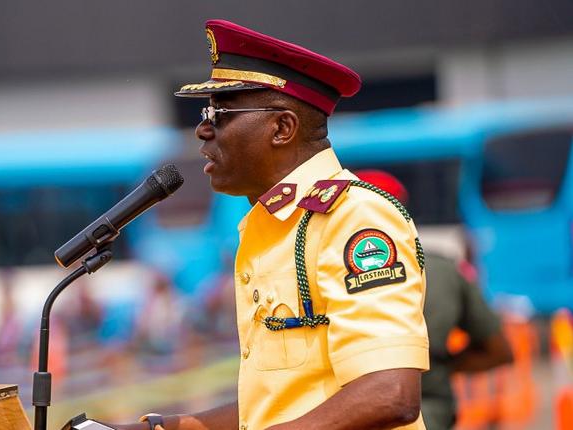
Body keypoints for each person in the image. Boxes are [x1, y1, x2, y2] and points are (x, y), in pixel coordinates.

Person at [116, 20, 429, 430]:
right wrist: (163, 427)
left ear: (282, 128)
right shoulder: (273, 226)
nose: (203, 129)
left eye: (219, 112)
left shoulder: (352, 218)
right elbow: (278, 406)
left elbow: (389, 393)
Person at [354, 169, 513, 430]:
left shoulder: (320, 270)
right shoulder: (443, 270)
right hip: (428, 412)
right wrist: (437, 366)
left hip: (347, 414)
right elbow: (499, 351)